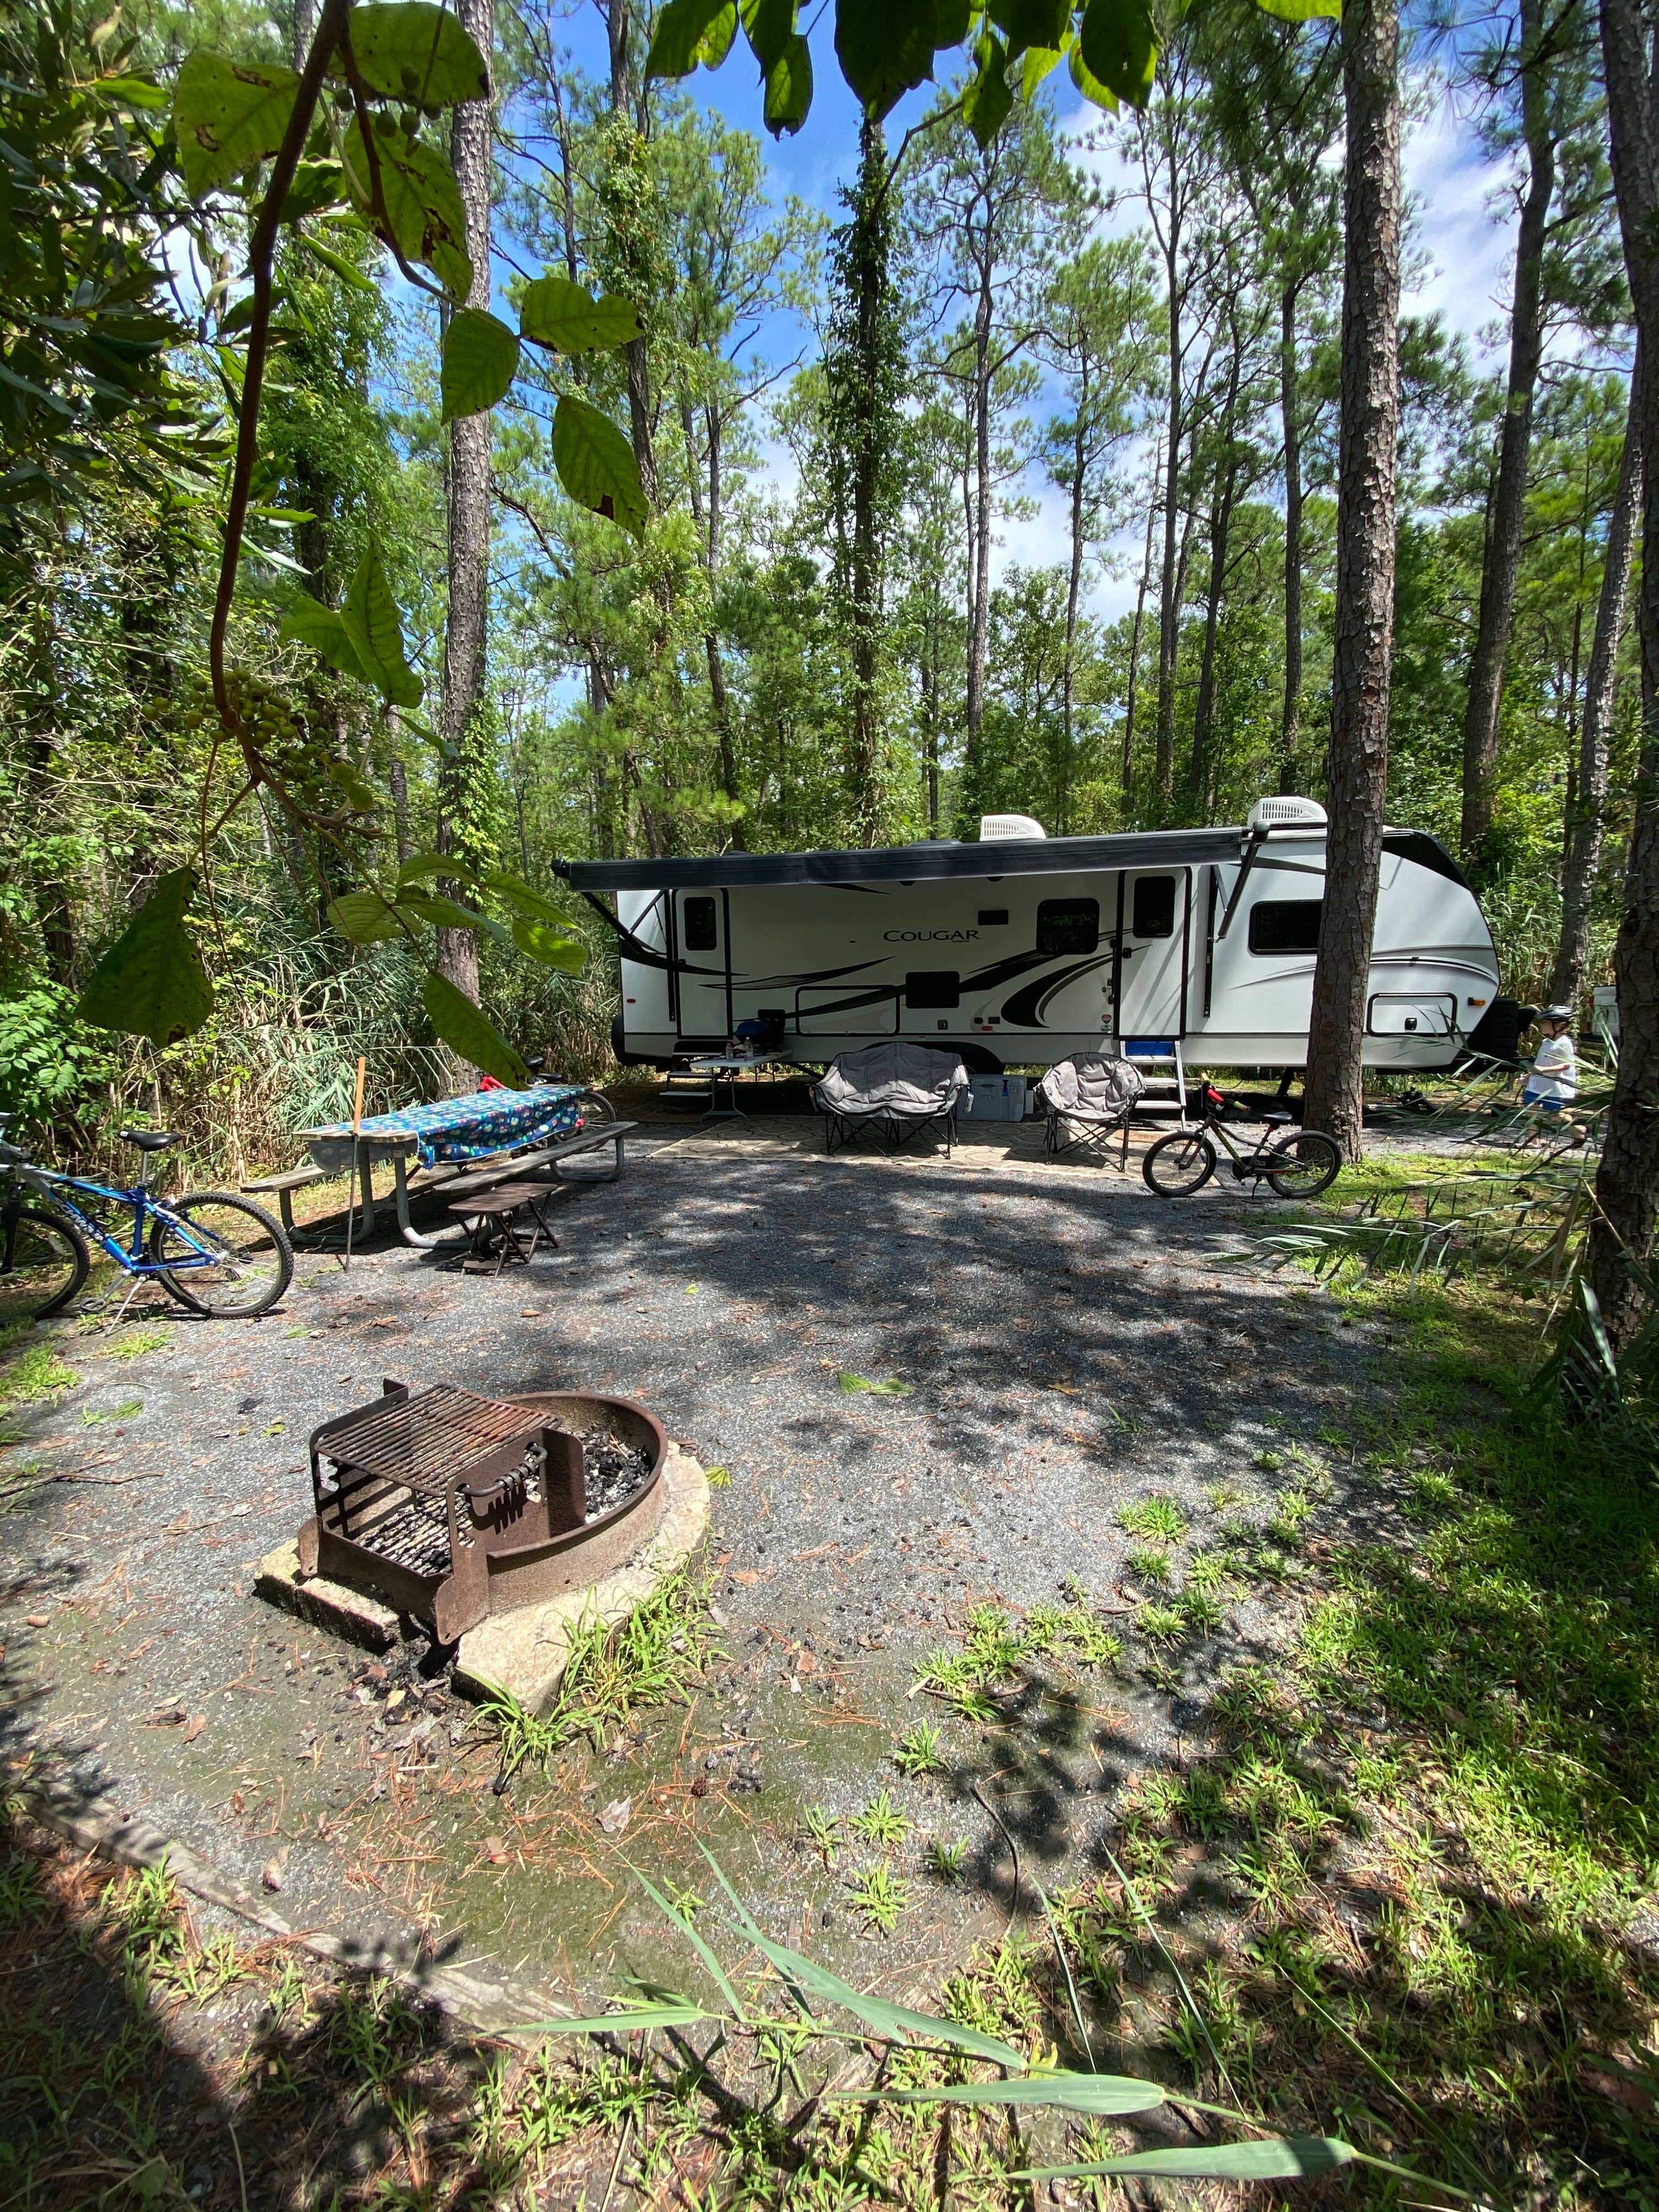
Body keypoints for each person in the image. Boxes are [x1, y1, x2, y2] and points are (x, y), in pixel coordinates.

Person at [1522, 1006, 1579, 1114]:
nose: (1542, 1025)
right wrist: (1529, 1076)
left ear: (1559, 1025)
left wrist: (1543, 1070)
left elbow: (1566, 1065)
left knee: (1558, 1115)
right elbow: (1540, 1063)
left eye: (1545, 1023)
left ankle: (1576, 1126)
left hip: (1556, 1089)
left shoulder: (1565, 1043)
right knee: (1530, 1111)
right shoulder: (1546, 1042)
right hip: (1537, 1085)